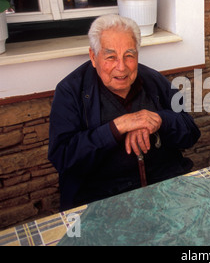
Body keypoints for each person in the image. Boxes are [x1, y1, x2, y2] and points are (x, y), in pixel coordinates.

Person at [48, 14, 200, 211]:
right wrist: (117, 127)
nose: (121, 67)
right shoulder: (70, 91)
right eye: (110, 57)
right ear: (93, 57)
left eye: (129, 55)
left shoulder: (153, 81)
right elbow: (63, 158)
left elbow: (191, 133)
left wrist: (157, 120)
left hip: (164, 189)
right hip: (102, 201)